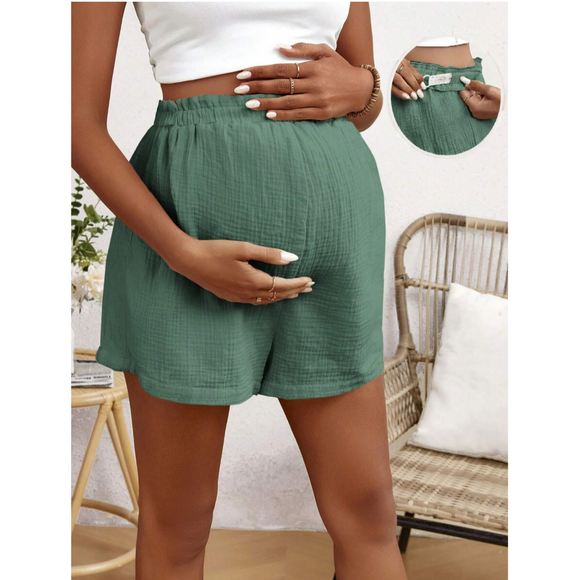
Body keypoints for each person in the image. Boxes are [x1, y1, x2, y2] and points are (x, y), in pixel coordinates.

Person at [71, 3, 407, 579]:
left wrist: (362, 87)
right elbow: (74, 124)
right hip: (181, 238)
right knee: (178, 525)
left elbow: (364, 99)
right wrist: (181, 252)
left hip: (340, 240)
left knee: (368, 514)